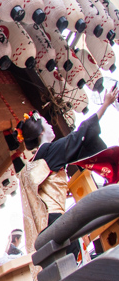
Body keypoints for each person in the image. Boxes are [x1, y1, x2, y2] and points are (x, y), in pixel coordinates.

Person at [17, 86, 117, 260]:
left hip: (43, 229)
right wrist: (106, 104)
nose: (50, 125)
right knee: (73, 267)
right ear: (41, 131)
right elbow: (81, 134)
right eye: (46, 123)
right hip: (58, 224)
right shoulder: (51, 151)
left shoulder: (30, 166)